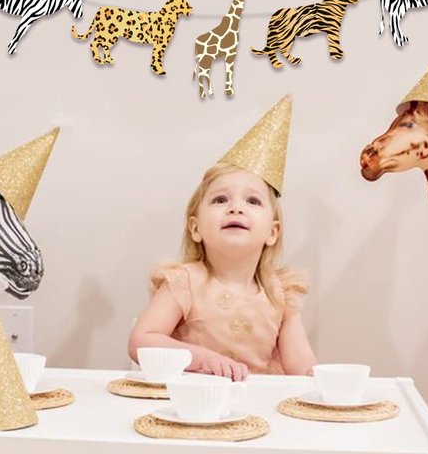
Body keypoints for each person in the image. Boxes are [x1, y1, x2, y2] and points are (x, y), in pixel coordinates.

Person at [128, 95, 316, 380]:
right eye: (220, 200)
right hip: (192, 398)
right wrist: (201, 358)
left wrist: (322, 379)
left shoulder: (279, 293)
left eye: (253, 201)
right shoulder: (185, 282)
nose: (236, 207)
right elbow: (141, 340)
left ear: (272, 232)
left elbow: (300, 363)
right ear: (195, 228)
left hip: (255, 402)